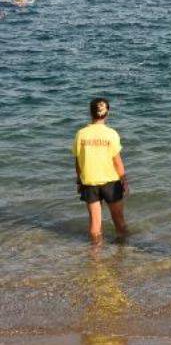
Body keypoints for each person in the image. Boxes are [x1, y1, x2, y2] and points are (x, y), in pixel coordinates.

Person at [72, 98, 128, 243]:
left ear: (90, 112)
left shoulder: (81, 134)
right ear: (107, 113)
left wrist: (79, 181)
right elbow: (117, 161)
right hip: (111, 182)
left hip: (89, 182)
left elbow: (78, 161)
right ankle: (123, 250)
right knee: (119, 220)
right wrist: (124, 181)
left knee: (95, 224)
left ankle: (95, 257)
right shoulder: (111, 134)